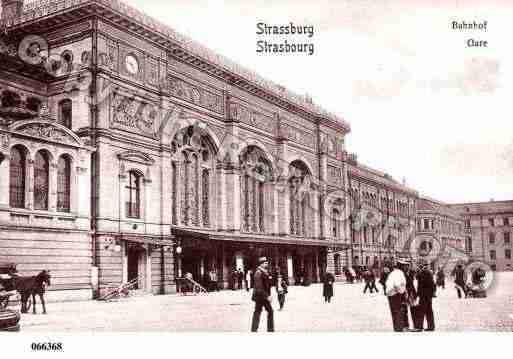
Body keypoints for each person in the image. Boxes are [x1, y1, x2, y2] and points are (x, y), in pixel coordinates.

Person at [251, 257, 274, 332]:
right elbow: (259, 286)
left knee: (257, 311)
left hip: (262, 295)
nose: (266, 264)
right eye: (265, 263)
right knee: (269, 311)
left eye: (267, 262)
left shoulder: (264, 271)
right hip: (261, 296)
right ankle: (270, 329)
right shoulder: (258, 272)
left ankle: (254, 329)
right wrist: (267, 296)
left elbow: (267, 284)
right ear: (261, 264)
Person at [385, 261, 408, 332]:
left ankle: (397, 327)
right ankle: (399, 327)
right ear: (401, 267)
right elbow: (397, 284)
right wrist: (402, 292)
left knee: (395, 311)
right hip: (395, 294)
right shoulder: (399, 273)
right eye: (405, 266)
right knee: (398, 311)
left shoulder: (393, 273)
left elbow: (387, 283)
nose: (406, 268)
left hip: (391, 294)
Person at [416, 262, 436, 331]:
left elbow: (419, 283)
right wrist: (433, 293)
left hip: (423, 295)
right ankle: (431, 326)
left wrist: (417, 294)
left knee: (421, 310)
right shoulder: (430, 273)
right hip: (429, 295)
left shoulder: (422, 273)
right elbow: (433, 285)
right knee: (429, 311)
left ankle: (419, 326)